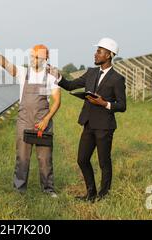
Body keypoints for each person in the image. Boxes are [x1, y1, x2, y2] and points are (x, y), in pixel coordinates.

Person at [48, 38, 126, 202]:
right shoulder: (91, 72)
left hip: (104, 126)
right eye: (96, 51)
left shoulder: (117, 79)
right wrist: (58, 76)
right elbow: (70, 85)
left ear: (109, 55)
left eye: (99, 51)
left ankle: (103, 196)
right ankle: (91, 193)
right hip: (89, 123)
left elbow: (122, 105)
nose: (95, 54)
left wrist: (104, 103)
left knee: (104, 161)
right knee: (82, 159)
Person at [0, 44, 61, 197]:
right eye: (32, 56)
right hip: (24, 121)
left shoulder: (51, 76)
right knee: (22, 156)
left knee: (45, 158)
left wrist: (46, 120)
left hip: (42, 123)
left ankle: (48, 189)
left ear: (45, 59)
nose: (33, 59)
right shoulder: (23, 72)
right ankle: (19, 189)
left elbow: (57, 101)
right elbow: (5, 64)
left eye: (37, 57)